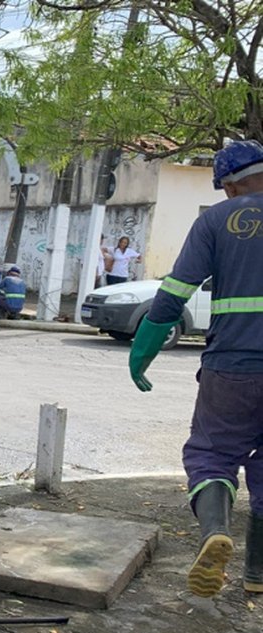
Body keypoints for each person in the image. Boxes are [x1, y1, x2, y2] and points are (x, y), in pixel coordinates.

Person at [129, 139, 263, 598]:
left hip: (232, 366)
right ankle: (257, 577)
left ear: (228, 184)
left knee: (212, 454)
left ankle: (213, 534)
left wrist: (144, 348)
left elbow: (174, 292)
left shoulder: (215, 220)